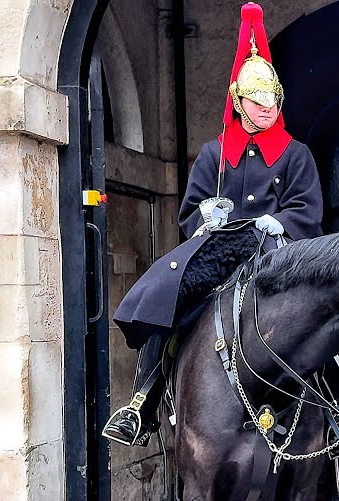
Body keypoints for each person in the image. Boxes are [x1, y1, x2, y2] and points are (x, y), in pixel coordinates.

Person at [103, 2, 323, 447]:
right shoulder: (213, 154)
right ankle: (141, 402)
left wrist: (273, 222)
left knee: (323, 312)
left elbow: (307, 210)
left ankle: (333, 410)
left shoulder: (295, 154)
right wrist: (207, 216)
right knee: (169, 296)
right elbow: (190, 209)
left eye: (272, 102)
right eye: (257, 102)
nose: (266, 109)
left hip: (276, 254)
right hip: (221, 251)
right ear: (239, 101)